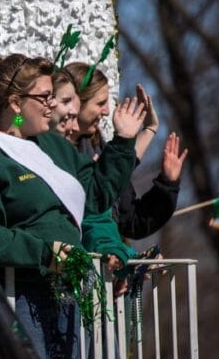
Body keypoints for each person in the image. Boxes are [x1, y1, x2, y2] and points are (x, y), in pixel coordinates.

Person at [0, 54, 145, 359]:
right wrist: (44, 252)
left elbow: (93, 197)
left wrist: (124, 141)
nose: (54, 106)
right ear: (16, 103)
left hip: (65, 291)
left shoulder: (49, 147)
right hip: (17, 296)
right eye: (44, 97)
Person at [67, 62, 186, 239]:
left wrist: (168, 184)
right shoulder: (52, 150)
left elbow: (130, 220)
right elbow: (91, 205)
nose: (107, 112)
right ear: (76, 103)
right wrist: (124, 140)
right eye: (100, 103)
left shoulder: (97, 145)